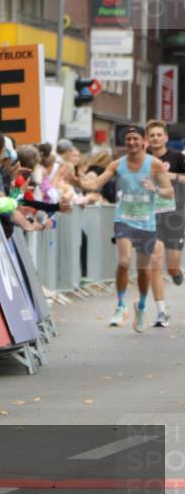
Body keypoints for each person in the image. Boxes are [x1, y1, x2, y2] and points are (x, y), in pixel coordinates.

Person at [77, 125, 174, 333]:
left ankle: (140, 307)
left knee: (143, 271)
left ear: (143, 141)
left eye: (135, 139)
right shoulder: (117, 164)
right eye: (128, 139)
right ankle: (120, 306)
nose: (131, 142)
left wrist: (155, 188)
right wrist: (80, 181)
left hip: (146, 223)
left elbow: (169, 192)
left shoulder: (154, 164)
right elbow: (96, 185)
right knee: (123, 261)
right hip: (124, 220)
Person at [145, 119, 185, 327]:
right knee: (155, 260)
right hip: (152, 215)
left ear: (166, 138)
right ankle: (161, 312)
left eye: (159, 135)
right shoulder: (143, 160)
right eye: (152, 135)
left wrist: (171, 176)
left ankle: (177, 273)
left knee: (172, 267)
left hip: (174, 214)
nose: (156, 138)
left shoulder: (177, 158)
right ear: (147, 139)